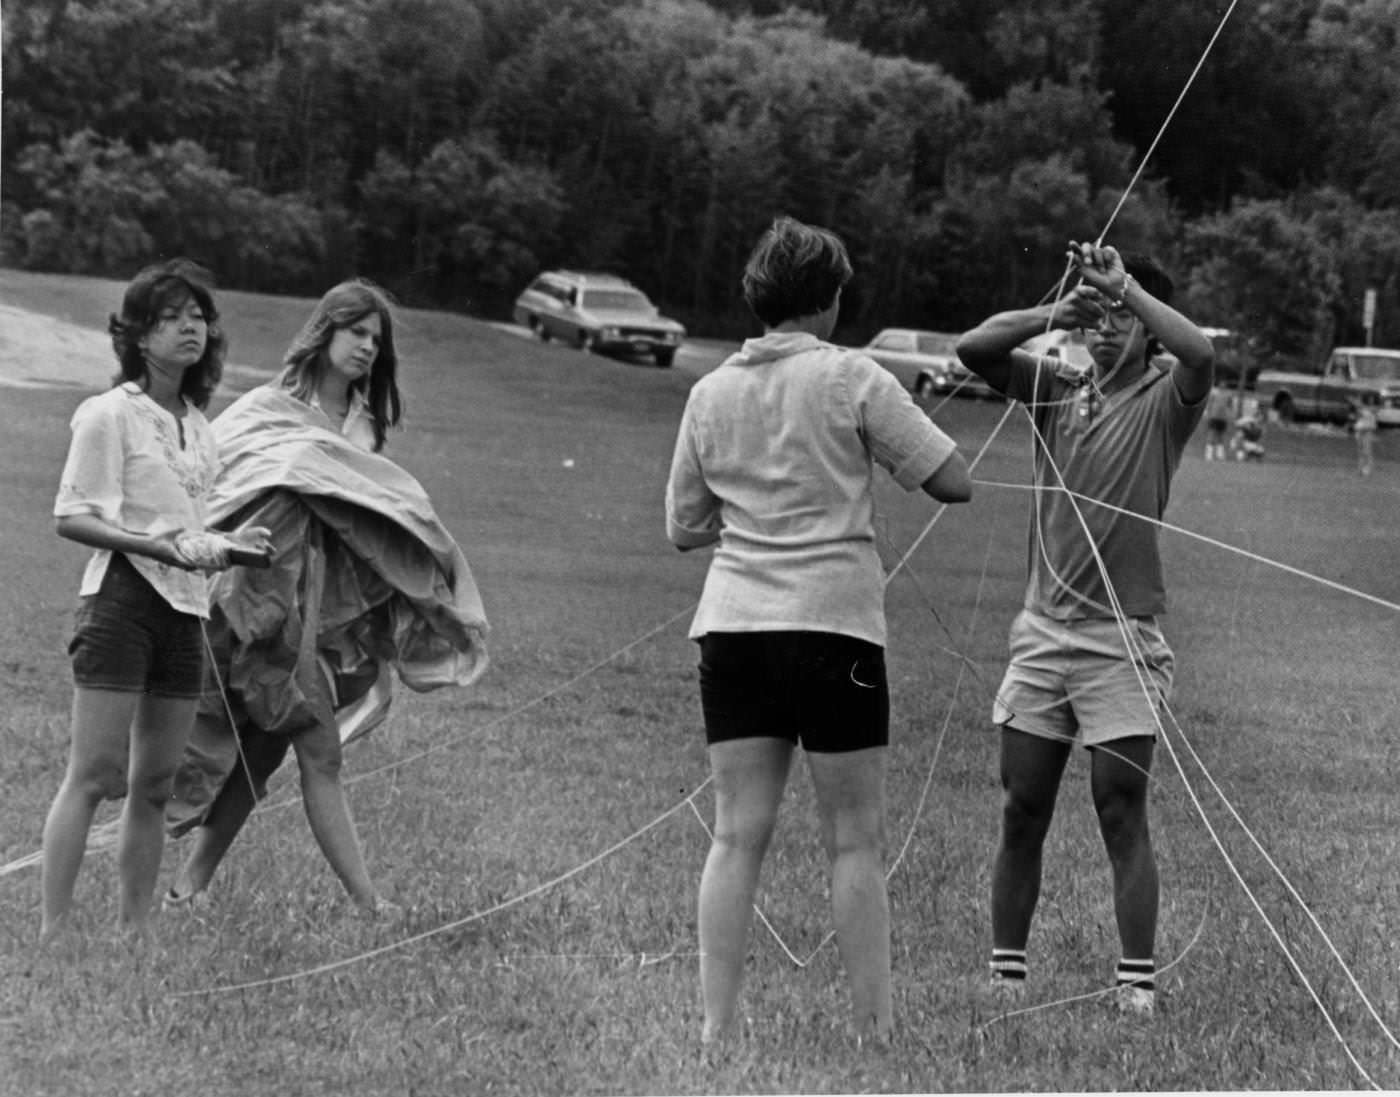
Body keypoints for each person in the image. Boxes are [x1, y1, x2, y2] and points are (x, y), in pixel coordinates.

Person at [665, 216, 973, 1046]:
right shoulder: (852, 376)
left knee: (735, 833)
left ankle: (715, 1027)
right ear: (829, 300)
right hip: (834, 629)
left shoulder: (710, 391)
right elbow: (953, 479)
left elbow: (684, 525)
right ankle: (874, 1031)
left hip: (733, 629)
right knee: (856, 841)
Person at [164, 280, 488, 914]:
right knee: (313, 751)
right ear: (325, 331)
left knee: (264, 753)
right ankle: (369, 903)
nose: (367, 347)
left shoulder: (362, 428)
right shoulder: (266, 408)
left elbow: (367, 521)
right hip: (249, 606)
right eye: (356, 332)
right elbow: (210, 492)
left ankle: (188, 888)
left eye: (377, 339)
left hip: (317, 618)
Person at [956, 242, 1214, 1016]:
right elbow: (972, 349)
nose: (1104, 332)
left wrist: (1127, 288)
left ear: (1146, 331)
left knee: (1117, 802)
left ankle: (1136, 982)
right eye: (1094, 320)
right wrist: (1052, 314)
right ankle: (1007, 972)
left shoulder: (1168, 399)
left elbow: (1201, 351)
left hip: (1120, 638)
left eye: (1119, 320)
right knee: (1022, 802)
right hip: (1043, 633)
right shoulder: (1054, 387)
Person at [41, 260, 273, 939]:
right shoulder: (111, 414)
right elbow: (70, 516)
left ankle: (133, 929)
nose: (189, 328)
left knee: (155, 783)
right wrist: (158, 546)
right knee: (96, 772)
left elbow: (190, 531)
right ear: (138, 335)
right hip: (121, 602)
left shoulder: (201, 425)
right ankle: (55, 930)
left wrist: (231, 544)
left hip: (187, 612)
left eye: (198, 317)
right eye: (171, 318)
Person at [1203, 384, 1235, 460]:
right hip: (1214, 417)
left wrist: (1231, 415)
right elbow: (1209, 404)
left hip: (1223, 418)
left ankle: (1219, 455)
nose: (1222, 386)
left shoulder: (1228, 395)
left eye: (1224, 385)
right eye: (1221, 384)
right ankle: (1209, 455)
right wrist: (1207, 413)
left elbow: (1230, 406)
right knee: (1212, 434)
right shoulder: (1214, 393)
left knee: (1221, 436)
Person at [1350, 398, 1377, 476]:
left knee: (1367, 451)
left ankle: (1368, 470)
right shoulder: (1360, 411)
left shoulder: (1370, 411)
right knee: (1360, 452)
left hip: (1366, 432)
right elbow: (1356, 418)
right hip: (1359, 432)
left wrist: (1358, 407)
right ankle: (1360, 469)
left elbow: (1371, 425)